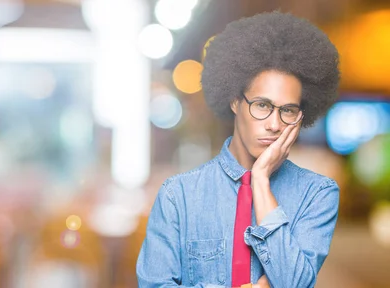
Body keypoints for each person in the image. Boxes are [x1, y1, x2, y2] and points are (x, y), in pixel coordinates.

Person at [136, 11, 340, 288]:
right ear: (235, 102)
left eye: (288, 110)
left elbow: (296, 284)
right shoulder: (179, 195)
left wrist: (260, 180)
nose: (274, 124)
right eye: (262, 105)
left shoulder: (317, 194)